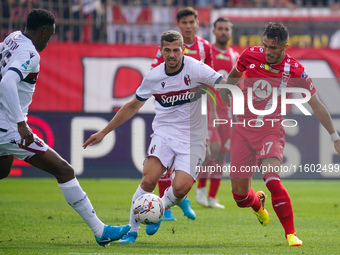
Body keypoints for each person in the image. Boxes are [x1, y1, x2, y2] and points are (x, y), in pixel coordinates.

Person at [0, 9, 130, 247]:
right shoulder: (30, 53)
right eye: (50, 36)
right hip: (8, 129)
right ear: (44, 32)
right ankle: (101, 231)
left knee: (2, 170)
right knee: (64, 170)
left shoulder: (13, 37)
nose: (49, 42)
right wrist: (20, 123)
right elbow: (7, 81)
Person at [83, 30, 227, 243]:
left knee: (180, 188)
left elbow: (222, 83)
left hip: (193, 137)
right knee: (149, 179)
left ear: (182, 50)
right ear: (160, 51)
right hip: (165, 133)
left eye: (176, 50)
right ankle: (132, 231)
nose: (172, 55)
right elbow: (133, 106)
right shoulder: (153, 76)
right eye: (167, 50)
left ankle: (159, 206)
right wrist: (104, 131)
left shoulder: (195, 68)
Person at [222, 22, 340, 247]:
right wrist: (229, 89)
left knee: (272, 180)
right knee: (239, 196)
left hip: (270, 130)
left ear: (285, 46)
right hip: (243, 129)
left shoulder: (295, 70)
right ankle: (258, 205)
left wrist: (335, 137)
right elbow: (235, 73)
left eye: (273, 48)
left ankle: (291, 234)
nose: (268, 51)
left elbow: (316, 105)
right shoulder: (250, 55)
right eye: (265, 46)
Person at [151, 6, 214, 221]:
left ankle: (181, 197)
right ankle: (165, 208)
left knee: (198, 156)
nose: (188, 26)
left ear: (197, 23)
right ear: (178, 25)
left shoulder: (205, 48)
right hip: (171, 109)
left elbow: (211, 80)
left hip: (195, 112)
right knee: (164, 161)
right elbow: (157, 75)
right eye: (184, 23)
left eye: (191, 22)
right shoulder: (168, 46)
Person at [196, 17, 239, 209]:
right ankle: (200, 189)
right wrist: (210, 109)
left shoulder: (234, 56)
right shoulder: (208, 52)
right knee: (212, 147)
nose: (223, 32)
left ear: (230, 32)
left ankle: (212, 197)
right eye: (220, 29)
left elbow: (236, 86)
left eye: (226, 29)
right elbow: (202, 82)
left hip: (227, 112)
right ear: (214, 31)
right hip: (209, 108)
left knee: (221, 154)